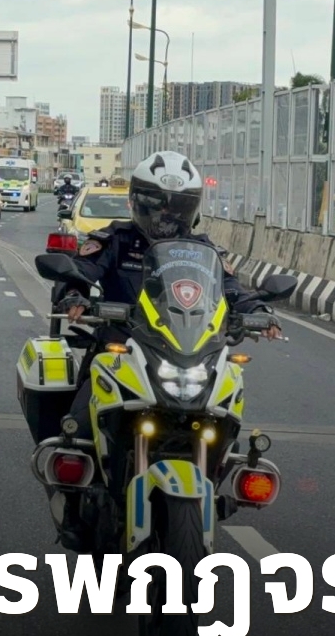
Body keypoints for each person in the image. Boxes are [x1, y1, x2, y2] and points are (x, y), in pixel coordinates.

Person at [52, 150, 282, 438]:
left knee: (224, 425)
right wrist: (74, 294)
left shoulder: (204, 251)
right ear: (137, 201)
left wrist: (258, 311)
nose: (167, 215)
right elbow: (81, 270)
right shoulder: (115, 240)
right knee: (79, 430)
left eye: (178, 207)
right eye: (157, 204)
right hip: (121, 350)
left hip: (188, 353)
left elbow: (231, 288)